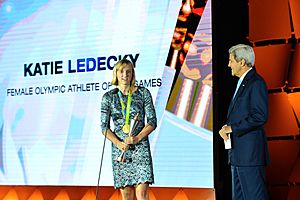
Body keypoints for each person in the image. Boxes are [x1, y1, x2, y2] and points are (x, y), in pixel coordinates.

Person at [219, 44, 270, 200]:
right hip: (238, 156)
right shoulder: (242, 82)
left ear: (242, 62)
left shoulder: (256, 83)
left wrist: (232, 128)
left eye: (231, 61)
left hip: (250, 157)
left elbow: (260, 116)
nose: (228, 65)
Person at [100, 59, 157, 200]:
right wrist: (118, 143)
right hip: (120, 149)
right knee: (126, 195)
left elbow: (152, 121)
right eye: (121, 71)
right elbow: (104, 127)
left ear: (132, 74)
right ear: (116, 74)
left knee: (142, 193)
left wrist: (137, 138)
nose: (125, 75)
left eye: (129, 71)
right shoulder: (109, 97)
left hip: (140, 148)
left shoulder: (143, 93)